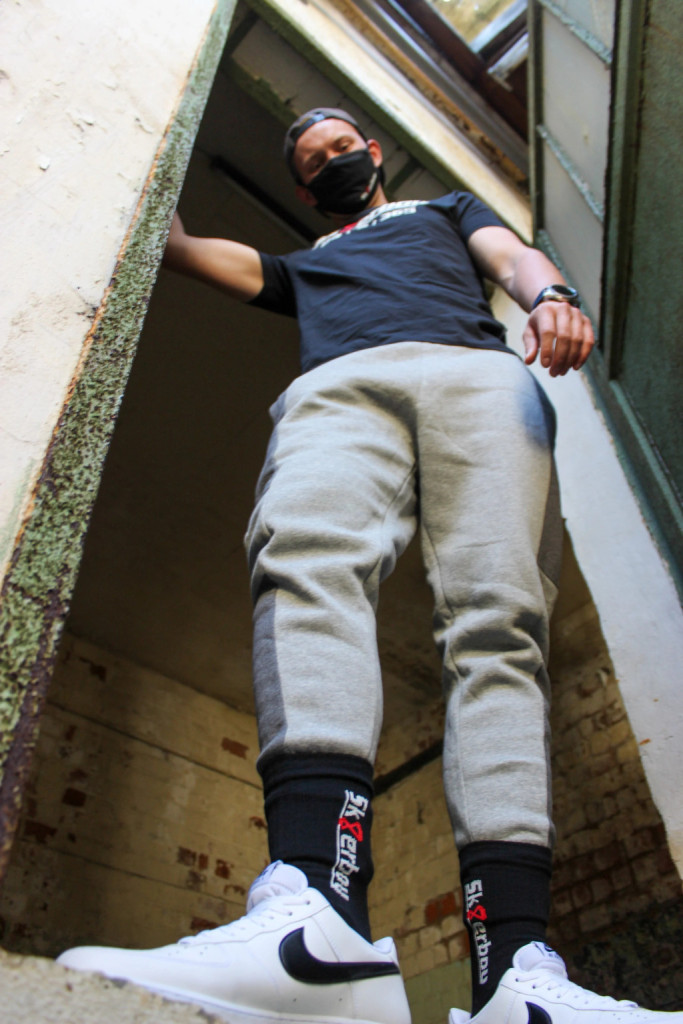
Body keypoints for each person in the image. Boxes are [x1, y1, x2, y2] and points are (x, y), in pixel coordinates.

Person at [57, 109, 682, 1024]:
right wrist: (145, 128)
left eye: (341, 147)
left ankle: (515, 974)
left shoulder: (441, 211)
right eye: (314, 162)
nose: (332, 163)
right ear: (306, 192)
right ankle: (318, 915)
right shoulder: (303, 266)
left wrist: (551, 296)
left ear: (372, 153)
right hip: (340, 385)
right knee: (303, 561)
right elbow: (185, 248)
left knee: (499, 629)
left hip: (475, 376)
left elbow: (509, 255)